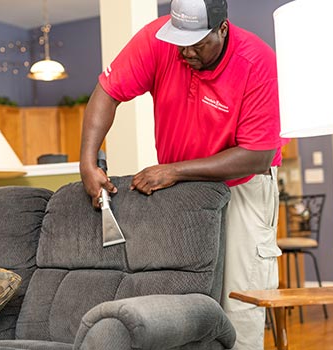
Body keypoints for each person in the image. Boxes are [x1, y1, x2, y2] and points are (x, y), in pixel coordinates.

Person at [79, 0, 286, 348]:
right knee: (182, 299)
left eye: (197, 43)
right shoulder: (157, 40)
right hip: (180, 192)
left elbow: (257, 154)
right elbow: (107, 92)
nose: (186, 51)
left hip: (242, 188)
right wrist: (88, 162)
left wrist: (174, 171)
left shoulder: (257, 62)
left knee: (240, 301)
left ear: (222, 29)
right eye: (180, 40)